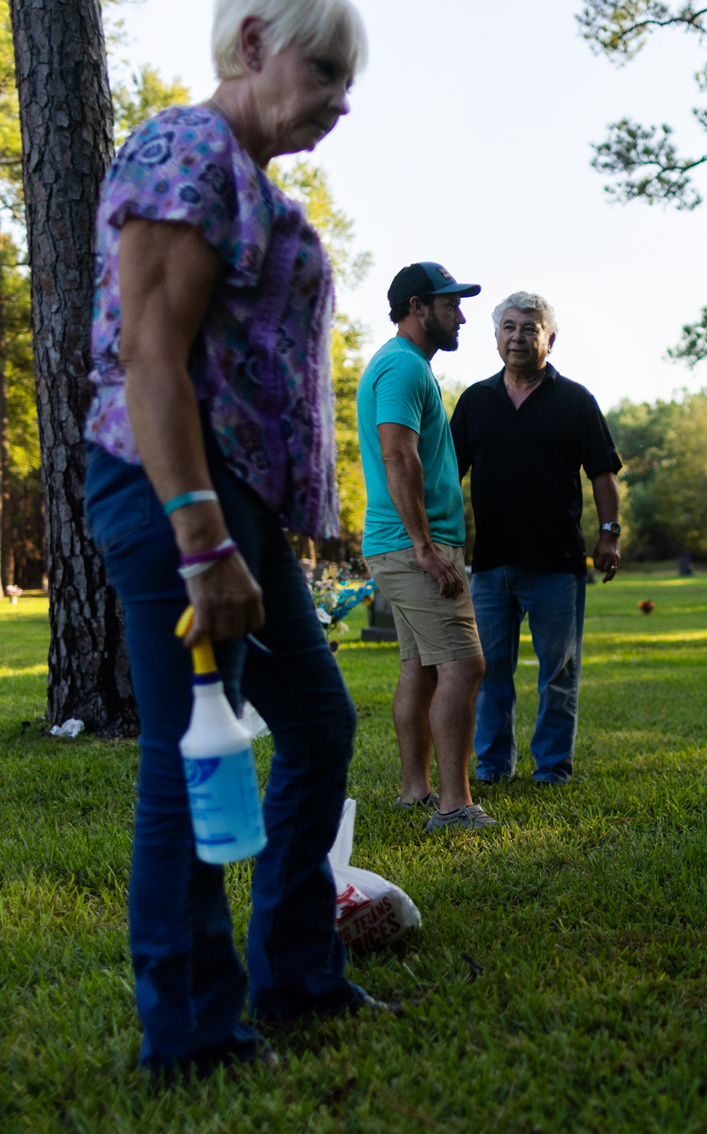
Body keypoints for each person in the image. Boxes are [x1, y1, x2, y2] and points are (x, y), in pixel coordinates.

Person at [81, 0, 388, 1075]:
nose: (341, 99)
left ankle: (296, 975)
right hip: (176, 498)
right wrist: (204, 542)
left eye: (350, 82)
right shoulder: (183, 148)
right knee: (186, 762)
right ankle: (194, 1035)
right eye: (325, 70)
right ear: (254, 42)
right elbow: (151, 357)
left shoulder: (254, 184)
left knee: (317, 725)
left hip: (234, 512)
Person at [450, 292, 622, 785]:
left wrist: (609, 535)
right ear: (496, 336)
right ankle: (491, 766)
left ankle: (552, 768)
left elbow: (604, 476)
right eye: (508, 327)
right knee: (490, 673)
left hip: (556, 565)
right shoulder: (475, 401)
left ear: (550, 338)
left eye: (530, 328)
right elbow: (448, 477)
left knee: (558, 673)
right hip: (490, 566)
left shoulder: (574, 401)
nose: (518, 337)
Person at [357, 263, 495, 831]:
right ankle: (455, 806)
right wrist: (425, 547)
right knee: (464, 666)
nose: (460, 316)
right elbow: (398, 455)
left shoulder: (401, 365)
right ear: (419, 307)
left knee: (421, 668)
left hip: (402, 545)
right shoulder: (403, 369)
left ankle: (416, 790)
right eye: (450, 304)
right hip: (414, 546)